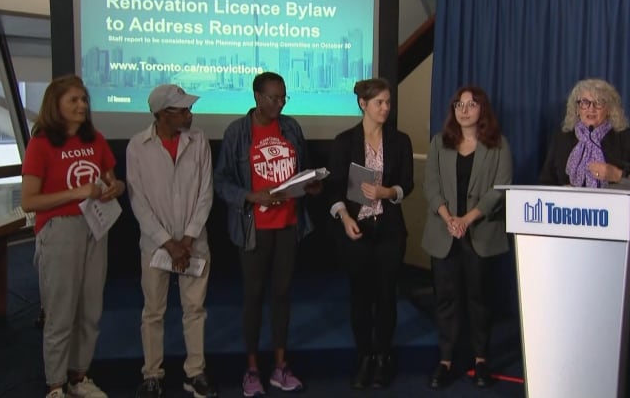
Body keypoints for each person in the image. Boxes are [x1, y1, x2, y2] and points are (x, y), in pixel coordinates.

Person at [214, 71, 319, 397]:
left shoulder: (291, 127)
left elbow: (302, 172)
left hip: (288, 225)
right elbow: (221, 182)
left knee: (282, 295)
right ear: (257, 96)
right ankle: (251, 370)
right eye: (274, 97)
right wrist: (252, 197)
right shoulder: (237, 132)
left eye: (284, 97)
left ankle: (280, 367)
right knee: (254, 297)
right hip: (253, 229)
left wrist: (311, 185)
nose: (279, 103)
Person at [21, 74, 125, 398]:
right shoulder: (41, 144)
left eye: (84, 100)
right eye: (73, 100)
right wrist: (75, 191)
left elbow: (113, 181)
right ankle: (55, 385)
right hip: (60, 229)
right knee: (60, 310)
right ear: (57, 105)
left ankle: (79, 376)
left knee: (90, 307)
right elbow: (29, 201)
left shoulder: (95, 139)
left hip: (96, 226)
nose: (81, 106)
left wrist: (114, 188)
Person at [126, 84, 217, 398]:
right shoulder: (138, 146)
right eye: (183, 110)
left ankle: (196, 372)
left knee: (195, 309)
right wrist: (169, 242)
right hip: (155, 246)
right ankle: (152, 374)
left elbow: (206, 193)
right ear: (164, 113)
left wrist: (188, 239)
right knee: (153, 311)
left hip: (195, 243)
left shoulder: (199, 141)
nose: (190, 114)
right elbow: (138, 202)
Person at [420, 86, 513, 389]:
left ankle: (481, 360)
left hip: (480, 234)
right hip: (445, 232)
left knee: (479, 300)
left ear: (482, 110)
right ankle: (445, 360)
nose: (464, 109)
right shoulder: (439, 143)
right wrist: (449, 219)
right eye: (459, 104)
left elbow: (500, 190)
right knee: (446, 299)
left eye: (471, 105)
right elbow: (431, 186)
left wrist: (467, 219)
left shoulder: (498, 145)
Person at [325, 78, 414, 389]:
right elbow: (334, 189)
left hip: (389, 230)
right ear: (363, 104)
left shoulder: (400, 141)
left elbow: (407, 184)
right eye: (379, 103)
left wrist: (387, 191)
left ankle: (382, 357)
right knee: (361, 297)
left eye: (388, 102)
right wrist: (345, 217)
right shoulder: (344, 141)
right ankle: (364, 356)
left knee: (387, 296)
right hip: (357, 230)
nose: (386, 108)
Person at [539, 78, 630, 193]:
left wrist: (618, 176)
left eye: (599, 103)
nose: (591, 109)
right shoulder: (561, 139)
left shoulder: (628, 139)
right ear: (577, 109)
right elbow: (544, 184)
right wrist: (561, 192)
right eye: (585, 102)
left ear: (609, 109)